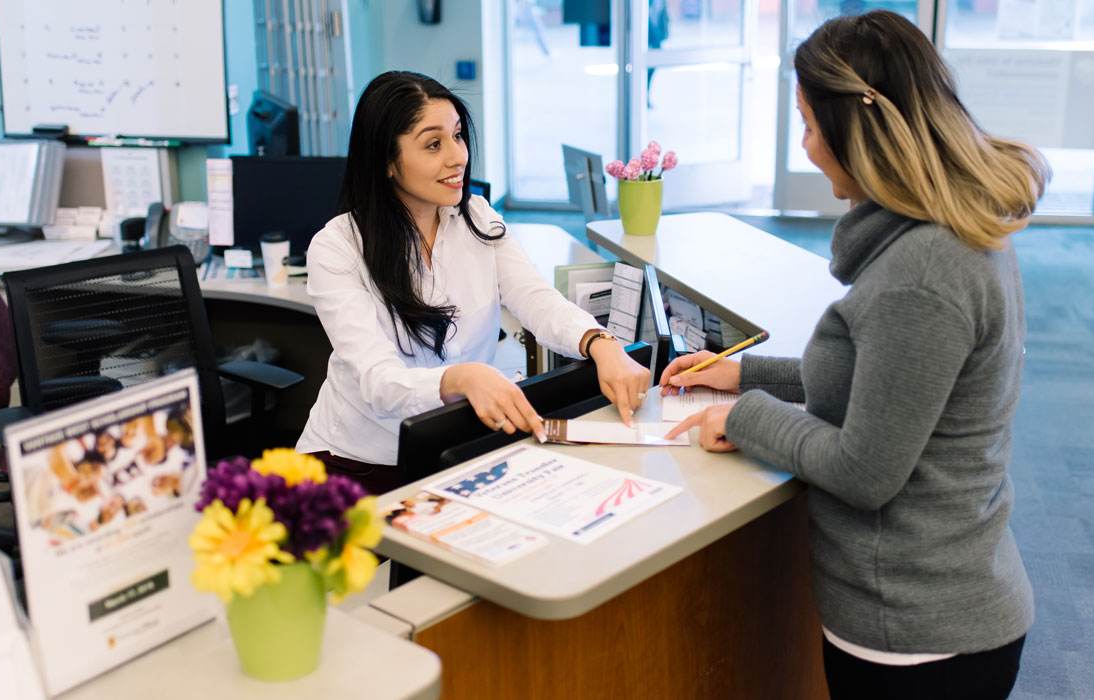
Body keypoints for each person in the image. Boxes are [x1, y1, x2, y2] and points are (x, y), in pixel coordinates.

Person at [661, 10, 1048, 699]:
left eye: (810, 125)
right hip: (939, 608)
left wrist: (746, 414)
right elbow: (884, 383)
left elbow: (865, 469)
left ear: (858, 134)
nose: (806, 146)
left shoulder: (924, 274)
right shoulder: (947, 233)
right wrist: (742, 372)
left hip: (917, 631)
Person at [296, 71, 650, 494]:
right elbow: (378, 382)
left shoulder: (477, 217)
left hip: (452, 451)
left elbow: (537, 300)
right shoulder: (337, 248)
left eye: (458, 136)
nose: (457, 156)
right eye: (433, 144)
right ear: (387, 162)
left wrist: (602, 344)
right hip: (356, 465)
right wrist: (461, 378)